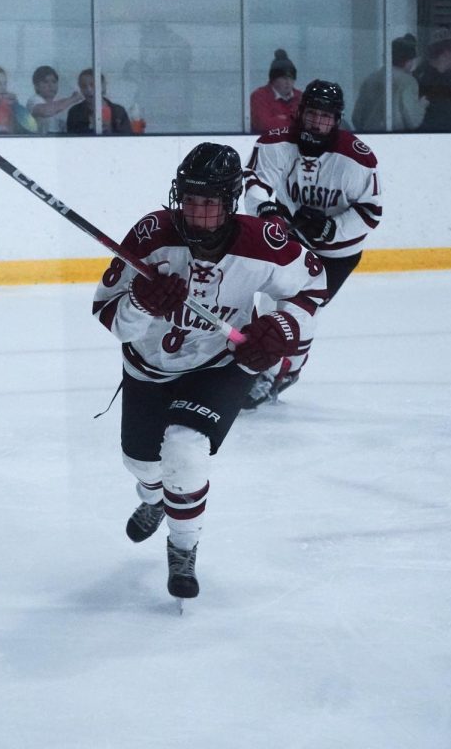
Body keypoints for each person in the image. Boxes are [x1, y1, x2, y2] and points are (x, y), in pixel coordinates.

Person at [93, 143, 326, 603]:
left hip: (221, 364)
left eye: (210, 203)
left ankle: (182, 549)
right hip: (148, 366)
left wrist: (283, 325)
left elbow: (311, 287)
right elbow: (108, 313)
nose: (198, 214)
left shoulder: (263, 244)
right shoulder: (152, 235)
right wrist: (141, 302)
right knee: (140, 462)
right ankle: (154, 495)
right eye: (191, 201)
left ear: (231, 201)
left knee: (185, 448)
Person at [240, 80, 382, 407]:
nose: (318, 123)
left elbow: (371, 212)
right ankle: (256, 360)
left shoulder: (357, 159)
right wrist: (269, 212)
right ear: (300, 112)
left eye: (326, 117)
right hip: (292, 243)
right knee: (253, 297)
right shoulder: (276, 142)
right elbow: (256, 182)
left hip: (336, 255)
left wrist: (331, 229)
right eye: (313, 114)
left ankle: (280, 373)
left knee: (296, 311)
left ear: (337, 119)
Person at [352, 33, 429, 132]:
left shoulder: (371, 79)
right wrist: (422, 105)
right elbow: (412, 121)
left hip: (369, 138)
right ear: (408, 60)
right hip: (395, 139)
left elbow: (356, 118)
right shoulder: (407, 81)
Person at [250, 50, 302, 133]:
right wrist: (292, 120)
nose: (288, 82)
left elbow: (307, 124)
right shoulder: (259, 96)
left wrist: (281, 119)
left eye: (291, 78)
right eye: (284, 78)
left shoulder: (301, 97)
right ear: (273, 80)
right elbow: (263, 125)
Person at [66, 69, 133, 134]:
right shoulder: (74, 112)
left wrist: (109, 129)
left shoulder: (118, 111)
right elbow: (72, 140)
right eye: (83, 86)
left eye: (93, 85)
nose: (88, 89)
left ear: (103, 86)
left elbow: (127, 138)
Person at [25, 65, 83, 134]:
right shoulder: (33, 100)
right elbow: (47, 111)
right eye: (46, 82)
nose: (51, 85)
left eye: (54, 82)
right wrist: (73, 98)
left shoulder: (61, 101)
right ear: (36, 86)